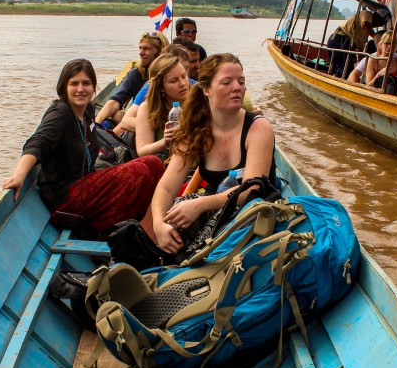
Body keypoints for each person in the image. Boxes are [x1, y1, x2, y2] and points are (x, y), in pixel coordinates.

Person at [2, 58, 164, 233]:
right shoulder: (61, 112)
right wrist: (19, 176)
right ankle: (118, 231)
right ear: (64, 87)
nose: (80, 89)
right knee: (138, 173)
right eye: (74, 84)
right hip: (66, 200)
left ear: (94, 87)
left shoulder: (87, 111)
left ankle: (150, 223)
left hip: (85, 184)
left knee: (153, 163)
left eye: (86, 83)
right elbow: (37, 142)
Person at [151, 53, 275, 254]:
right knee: (171, 225)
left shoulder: (258, 128)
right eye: (226, 82)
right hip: (214, 207)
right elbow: (166, 188)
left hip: (253, 213)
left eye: (241, 81)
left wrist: (200, 204)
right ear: (206, 89)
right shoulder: (195, 130)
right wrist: (158, 224)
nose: (237, 87)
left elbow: (250, 190)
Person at [95, 31, 168, 126]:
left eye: (146, 49)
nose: (141, 53)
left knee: (119, 116)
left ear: (159, 51)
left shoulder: (169, 75)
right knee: (113, 118)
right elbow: (116, 100)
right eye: (140, 48)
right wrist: (96, 124)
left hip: (162, 123)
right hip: (138, 122)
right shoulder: (136, 74)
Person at [135, 52, 192, 158]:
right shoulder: (147, 108)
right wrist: (164, 142)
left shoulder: (199, 100)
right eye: (173, 81)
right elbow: (142, 150)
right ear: (161, 87)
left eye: (184, 76)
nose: (183, 84)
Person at [326, 11, 375, 77]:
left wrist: (362, 67)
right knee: (344, 69)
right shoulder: (367, 14)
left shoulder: (364, 35)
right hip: (341, 39)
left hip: (340, 41)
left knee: (340, 69)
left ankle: (334, 80)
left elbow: (360, 51)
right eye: (381, 22)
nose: (379, 25)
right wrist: (377, 37)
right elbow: (366, 23)